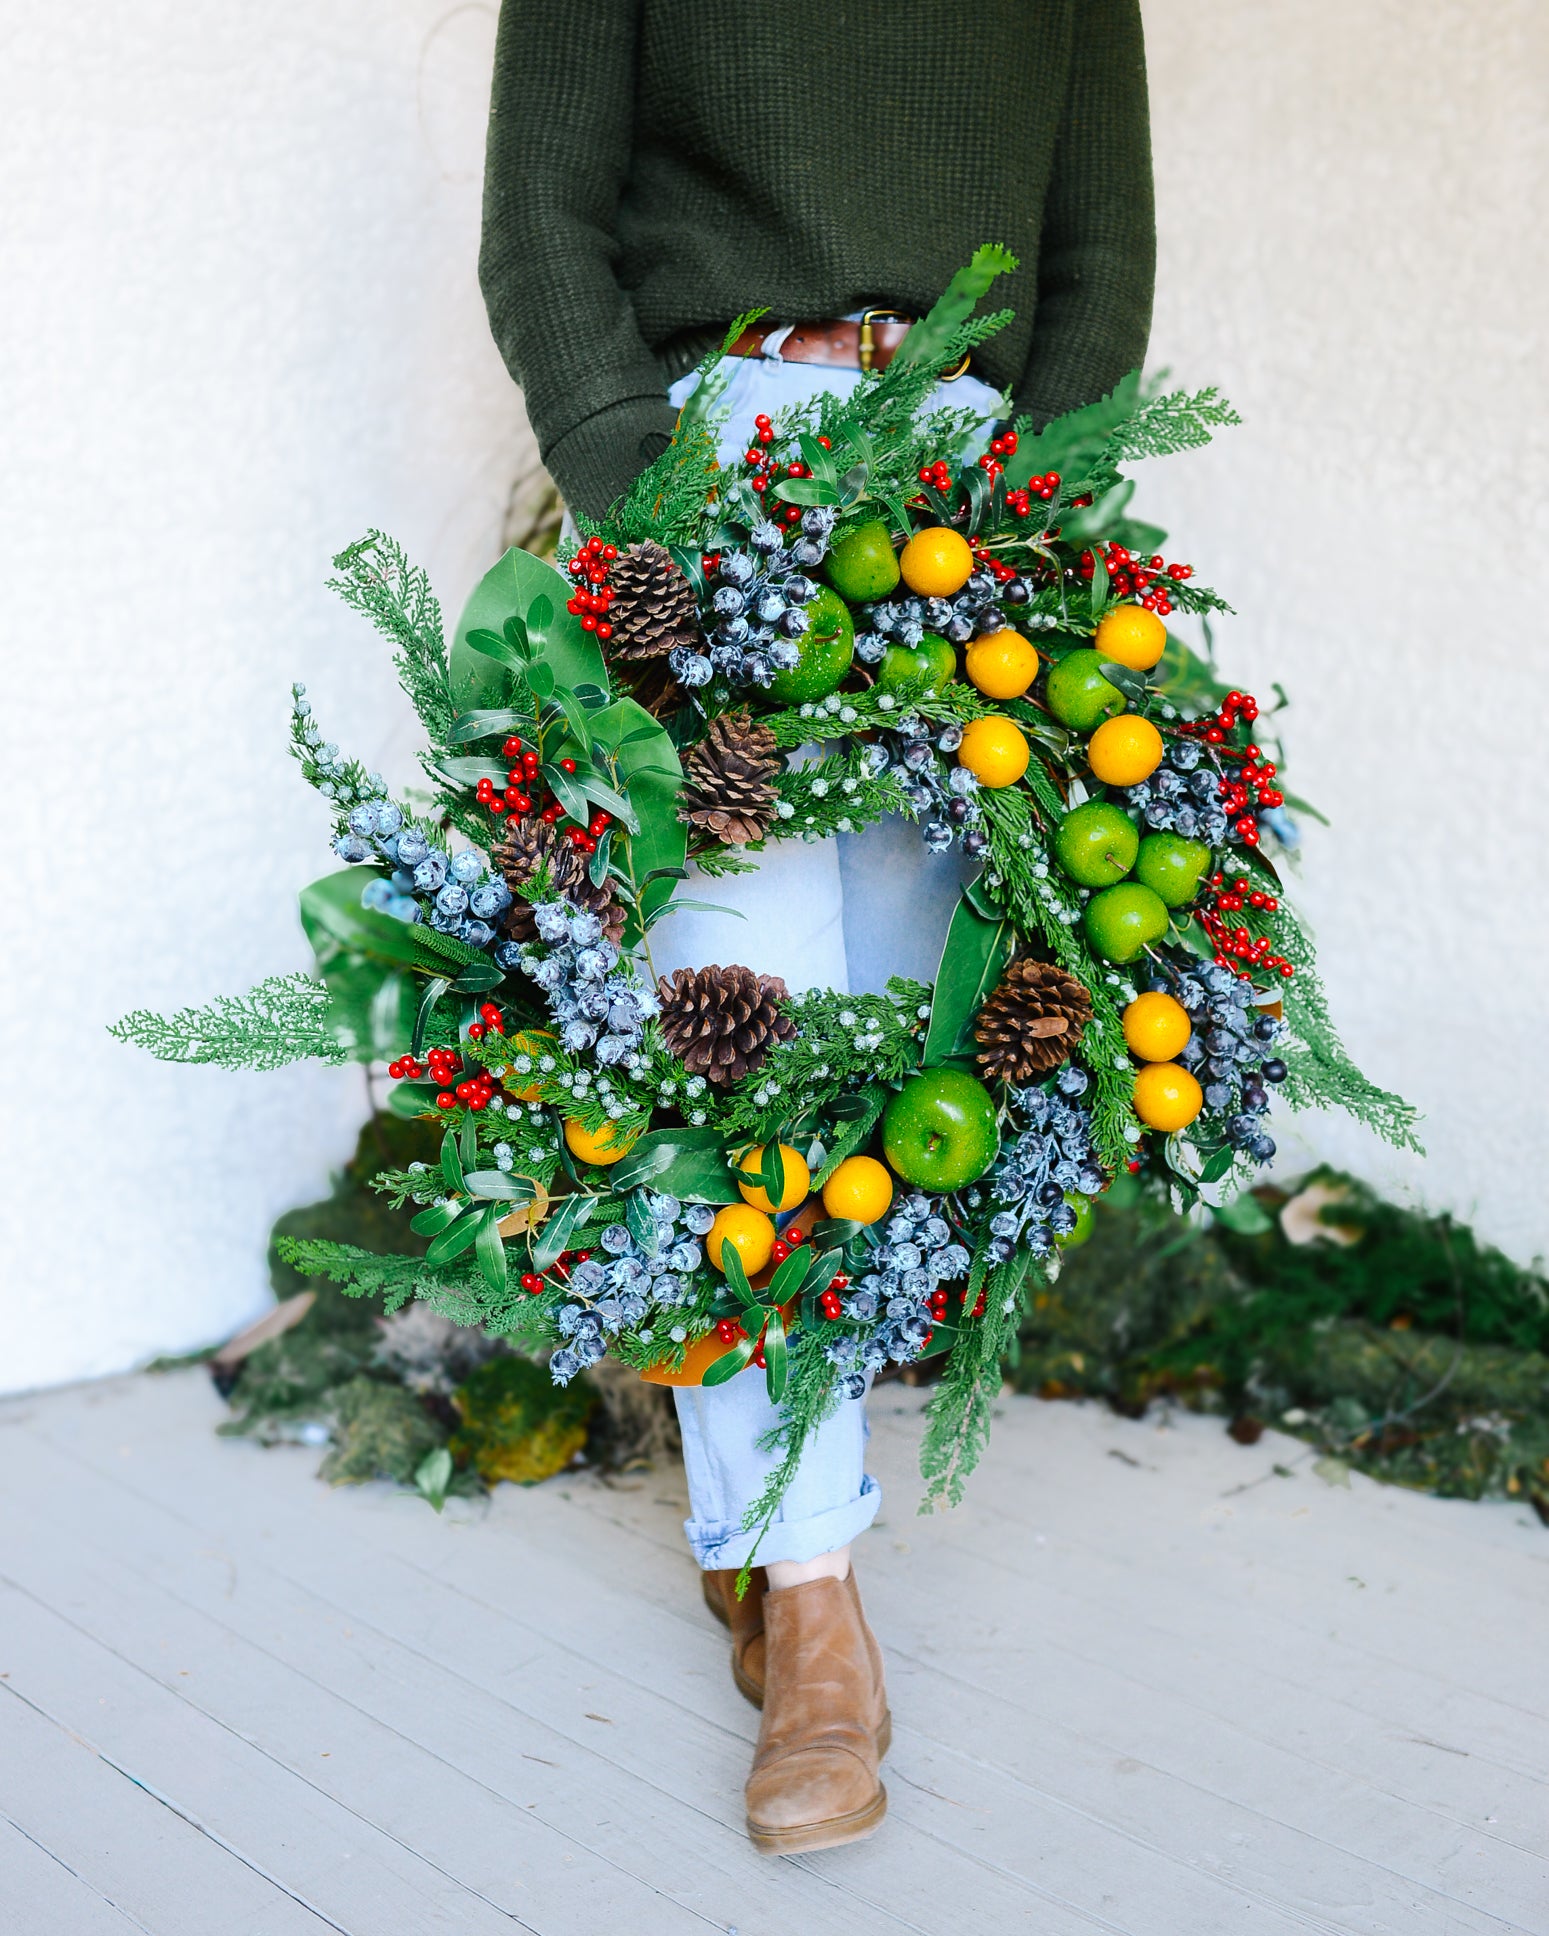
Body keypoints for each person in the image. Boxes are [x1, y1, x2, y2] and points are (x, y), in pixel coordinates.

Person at [479, 0, 1155, 1854]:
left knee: (915, 1054)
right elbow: (541, 214)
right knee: (742, 1026)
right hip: (722, 460)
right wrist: (651, 495)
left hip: (963, 498)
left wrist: (1038, 494)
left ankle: (773, 1522)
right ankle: (812, 1607)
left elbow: (1099, 249)